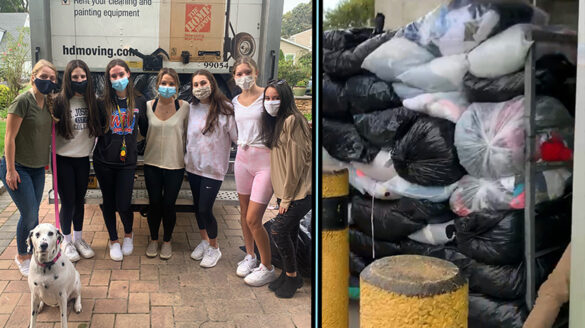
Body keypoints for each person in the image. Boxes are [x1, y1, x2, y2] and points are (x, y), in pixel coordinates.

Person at [0, 59, 57, 276]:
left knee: (31, 213)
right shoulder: (22, 101)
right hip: (18, 167)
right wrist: (11, 170)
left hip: (36, 168)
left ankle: (30, 253)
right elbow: (9, 137)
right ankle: (22, 255)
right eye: (44, 77)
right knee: (31, 213)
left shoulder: (47, 103)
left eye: (52, 78)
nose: (48, 81)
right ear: (33, 76)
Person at [260, 79, 312, 298]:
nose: (271, 103)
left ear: (286, 98)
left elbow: (296, 163)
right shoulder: (279, 121)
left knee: (278, 231)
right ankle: (291, 275)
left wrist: (287, 199)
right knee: (289, 233)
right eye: (268, 98)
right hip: (286, 193)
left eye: (276, 98)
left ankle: (291, 275)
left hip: (299, 193)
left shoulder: (293, 121)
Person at [94, 59, 146, 261]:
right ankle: (113, 240)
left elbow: (147, 129)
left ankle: (128, 235)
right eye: (113, 76)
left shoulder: (139, 101)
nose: (118, 79)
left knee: (124, 203)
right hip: (104, 161)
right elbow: (95, 128)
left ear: (128, 74)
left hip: (127, 163)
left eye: (120, 74)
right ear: (109, 79)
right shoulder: (102, 102)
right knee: (108, 203)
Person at [231, 56, 276, 286]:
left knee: (254, 218)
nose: (243, 77)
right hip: (242, 159)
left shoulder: (267, 97)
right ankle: (250, 255)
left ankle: (267, 267)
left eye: (246, 72)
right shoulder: (235, 101)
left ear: (256, 72)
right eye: (238, 74)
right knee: (243, 212)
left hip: (264, 161)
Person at [186, 69, 237, 268]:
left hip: (213, 169)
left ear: (212, 84)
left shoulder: (226, 108)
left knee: (205, 209)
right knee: (197, 208)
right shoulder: (191, 108)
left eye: (203, 83)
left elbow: (236, 139)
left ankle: (215, 248)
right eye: (195, 84)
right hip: (193, 166)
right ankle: (204, 240)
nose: (199, 88)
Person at [53, 59, 101, 262]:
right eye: (75, 77)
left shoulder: (94, 102)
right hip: (63, 160)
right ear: (68, 79)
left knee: (80, 201)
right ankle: (66, 241)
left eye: (83, 77)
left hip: (83, 159)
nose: (80, 80)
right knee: (69, 202)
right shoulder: (58, 102)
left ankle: (79, 239)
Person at [139, 68, 189, 259]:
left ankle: (167, 241)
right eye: (164, 83)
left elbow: (189, 134)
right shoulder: (149, 105)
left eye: (171, 83)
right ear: (157, 84)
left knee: (169, 205)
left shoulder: (184, 107)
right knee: (154, 204)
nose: (167, 87)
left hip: (175, 165)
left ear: (176, 86)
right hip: (152, 164)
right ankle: (153, 240)